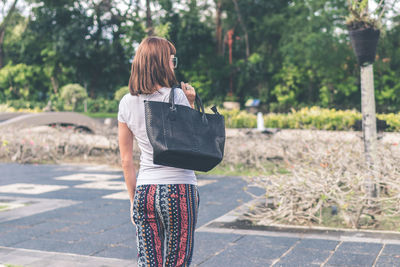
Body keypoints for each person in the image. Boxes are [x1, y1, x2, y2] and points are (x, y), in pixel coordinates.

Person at [117, 36, 200, 267]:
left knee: (148, 262)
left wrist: (134, 201)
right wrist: (190, 105)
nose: (174, 63)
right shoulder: (177, 97)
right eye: (171, 59)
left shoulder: (126, 102)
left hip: (145, 190)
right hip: (179, 189)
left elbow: (126, 161)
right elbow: (190, 144)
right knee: (178, 261)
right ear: (161, 62)